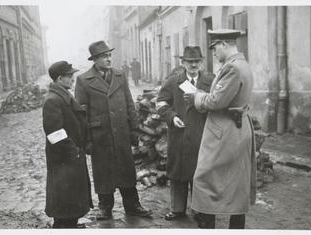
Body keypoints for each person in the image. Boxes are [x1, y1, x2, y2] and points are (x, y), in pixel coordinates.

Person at [184, 29, 256, 229]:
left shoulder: (232, 69)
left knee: (204, 180)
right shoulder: (242, 65)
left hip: (224, 132)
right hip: (238, 129)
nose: (214, 53)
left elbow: (216, 101)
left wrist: (195, 98)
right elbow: (225, 96)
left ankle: (208, 228)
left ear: (224, 44)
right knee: (236, 185)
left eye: (215, 48)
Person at [75, 41, 152, 220]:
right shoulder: (84, 80)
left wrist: (134, 129)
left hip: (121, 131)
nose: (108, 59)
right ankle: (105, 207)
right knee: (103, 172)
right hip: (99, 135)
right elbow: (81, 113)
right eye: (104, 56)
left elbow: (129, 103)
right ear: (94, 59)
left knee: (126, 169)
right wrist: (86, 140)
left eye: (109, 55)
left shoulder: (120, 75)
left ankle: (132, 205)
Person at [156, 46, 214, 221]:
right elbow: (161, 103)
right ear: (183, 63)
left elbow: (217, 104)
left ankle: (199, 209)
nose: (194, 65)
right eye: (190, 62)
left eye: (197, 61)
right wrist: (172, 117)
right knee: (178, 173)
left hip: (202, 135)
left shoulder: (210, 81)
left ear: (201, 62)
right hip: (179, 135)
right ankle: (177, 209)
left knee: (200, 173)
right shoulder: (173, 82)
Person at [43, 61, 93, 228]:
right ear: (59, 78)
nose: (73, 79)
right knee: (64, 204)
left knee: (71, 201)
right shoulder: (53, 100)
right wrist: (74, 151)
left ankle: (70, 225)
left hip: (70, 159)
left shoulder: (63, 95)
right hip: (64, 159)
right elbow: (54, 133)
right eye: (69, 76)